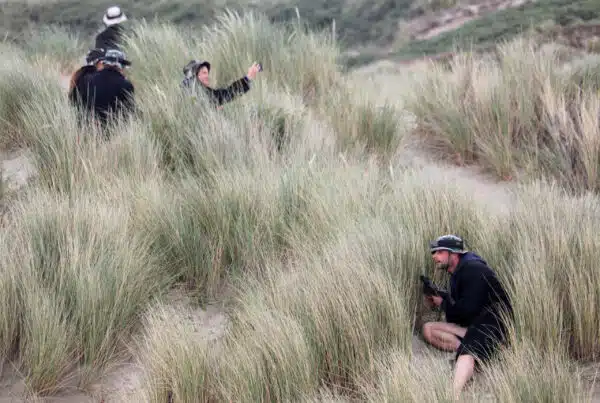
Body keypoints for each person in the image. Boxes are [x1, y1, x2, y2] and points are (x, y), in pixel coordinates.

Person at [421, 234, 513, 399]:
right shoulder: (458, 272)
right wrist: (442, 298)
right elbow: (463, 309)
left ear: (454, 254)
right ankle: (483, 354)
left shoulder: (473, 269)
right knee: (428, 329)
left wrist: (443, 303)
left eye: (440, 252)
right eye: (434, 252)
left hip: (493, 321)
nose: (434, 256)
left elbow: (468, 310)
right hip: (475, 324)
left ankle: (453, 396)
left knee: (466, 354)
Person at [84, 49, 135, 133]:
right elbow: (129, 111)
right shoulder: (126, 85)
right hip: (115, 130)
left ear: (104, 63)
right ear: (121, 67)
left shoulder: (89, 80)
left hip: (90, 128)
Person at [180, 59, 261, 107]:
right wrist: (248, 78)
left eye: (207, 73)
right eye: (204, 73)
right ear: (195, 75)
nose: (207, 76)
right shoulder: (192, 88)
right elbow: (226, 95)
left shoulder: (199, 90)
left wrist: (247, 78)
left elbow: (224, 94)